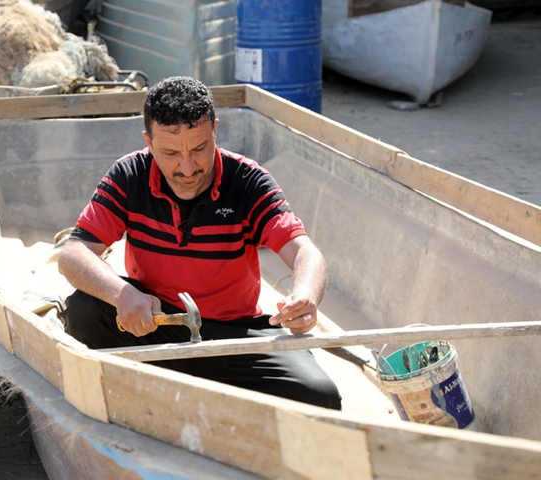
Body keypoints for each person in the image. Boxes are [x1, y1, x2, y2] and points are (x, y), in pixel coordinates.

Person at [58, 76, 341, 410]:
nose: (188, 167)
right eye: (171, 153)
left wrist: (306, 296)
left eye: (199, 148)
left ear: (215, 131)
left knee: (319, 395)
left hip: (235, 338)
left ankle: (165, 384)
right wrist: (123, 295)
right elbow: (73, 253)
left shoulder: (248, 181)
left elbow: (304, 251)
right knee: (83, 311)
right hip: (157, 326)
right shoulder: (129, 175)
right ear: (148, 141)